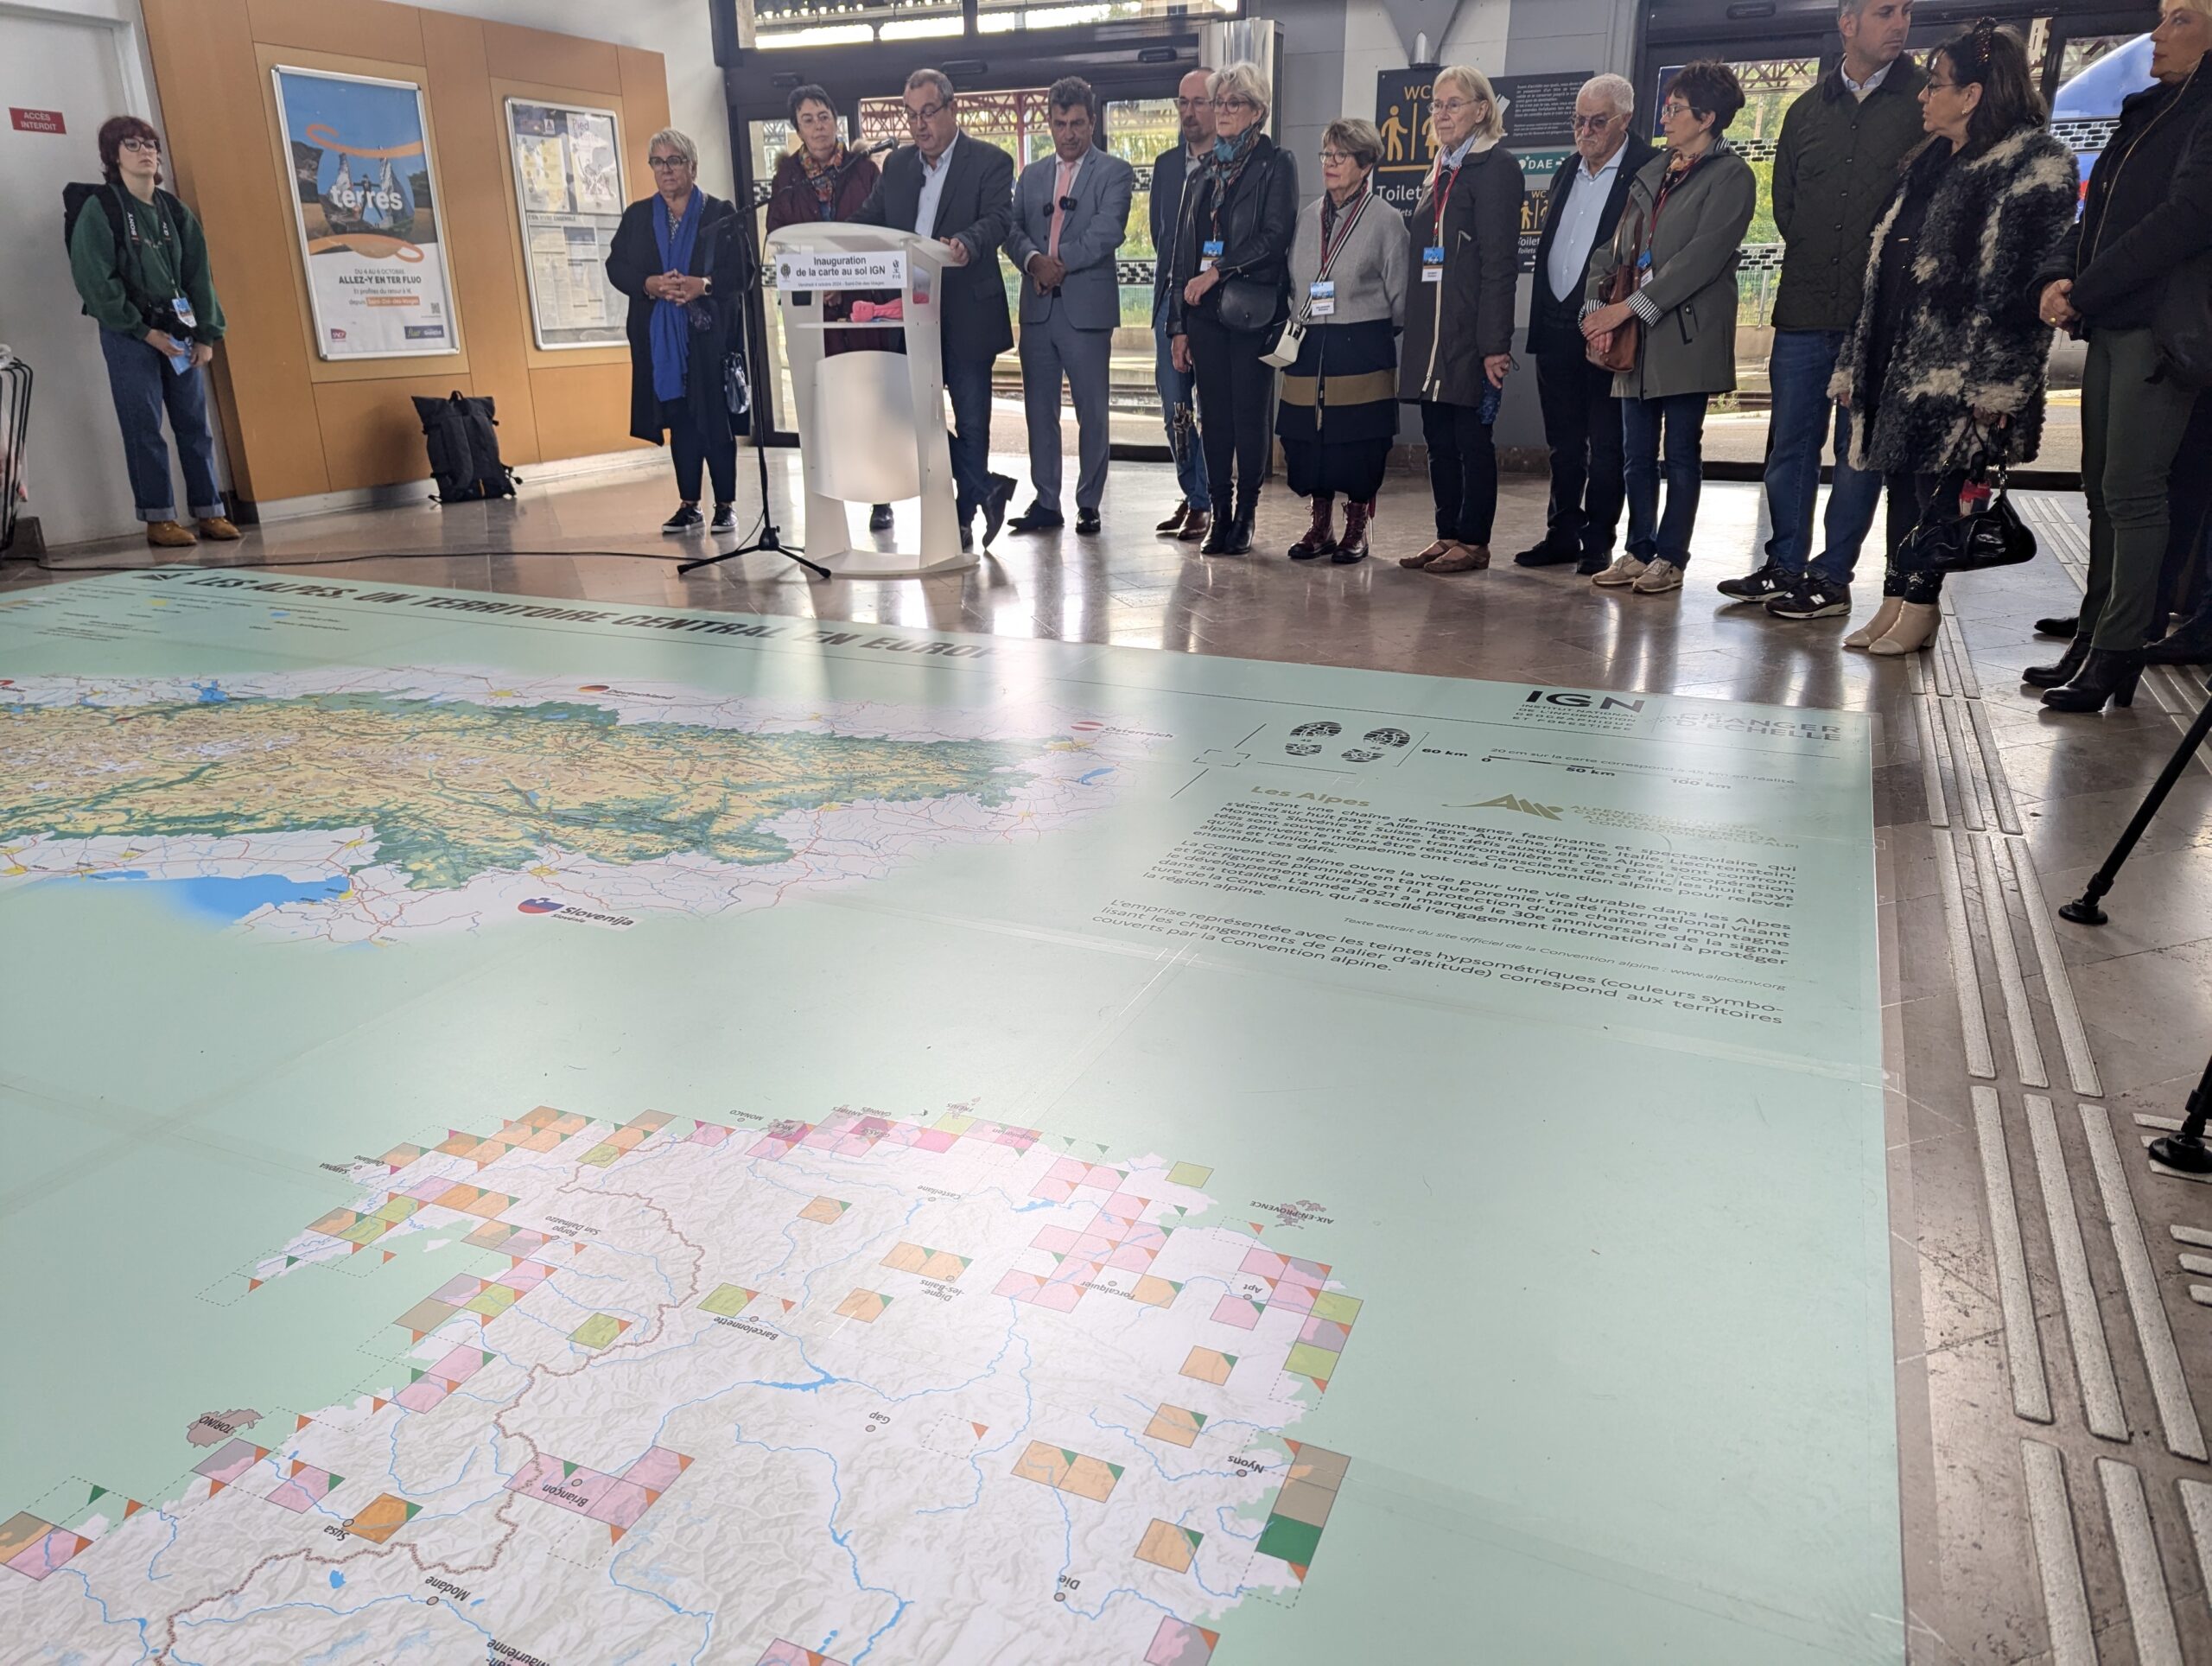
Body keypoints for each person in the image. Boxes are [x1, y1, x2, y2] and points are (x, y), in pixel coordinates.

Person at [1827, 21, 2075, 654]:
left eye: (1935, 84)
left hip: (1961, 366)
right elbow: (1884, 268)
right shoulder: (1931, 160)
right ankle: (1895, 597)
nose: (1923, 95)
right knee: (1901, 483)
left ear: (1971, 95)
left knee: (1937, 492)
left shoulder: (2032, 164)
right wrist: (1857, 359)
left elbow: (2021, 286)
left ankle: (1921, 606)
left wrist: (2000, 386)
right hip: (1897, 352)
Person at [2029, 0, 2212, 711]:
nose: (2158, 35)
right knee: (2104, 492)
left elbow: (2184, 220)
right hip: (2112, 319)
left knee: (2134, 492)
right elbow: (2096, 213)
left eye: (2181, 20)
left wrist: (2088, 288)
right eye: (2162, 18)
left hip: (2159, 329)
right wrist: (2058, 275)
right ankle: (2093, 638)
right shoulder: (2149, 112)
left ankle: (2120, 647)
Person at [1722, 0, 1929, 619]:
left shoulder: (1922, 102)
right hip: (1805, 305)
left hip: (1877, 315)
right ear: (1847, 24)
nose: (1900, 23)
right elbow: (1787, 205)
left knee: (1856, 450)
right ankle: (1784, 563)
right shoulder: (1807, 110)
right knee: (1790, 445)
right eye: (1885, 11)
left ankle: (1832, 577)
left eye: (1906, 11)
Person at [1580, 63, 1758, 594]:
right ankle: (1638, 550)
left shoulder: (1731, 176)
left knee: (1680, 452)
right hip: (1636, 340)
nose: (1665, 118)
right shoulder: (1655, 171)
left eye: (1675, 109)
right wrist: (1596, 311)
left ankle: (1671, 556)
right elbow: (1613, 248)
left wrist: (1627, 310)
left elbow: (1700, 260)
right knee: (1636, 454)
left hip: (1685, 335)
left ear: (1707, 117)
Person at [855, 68, 1019, 552]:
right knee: (905, 413)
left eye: (927, 112)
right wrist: (829, 240)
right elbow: (869, 219)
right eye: (911, 115)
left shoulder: (990, 161)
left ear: (952, 108)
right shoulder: (898, 166)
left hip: (967, 311)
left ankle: (963, 518)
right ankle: (987, 487)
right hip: (912, 311)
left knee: (971, 422)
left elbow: (999, 218)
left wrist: (968, 241)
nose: (919, 124)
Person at [67, 116, 238, 549]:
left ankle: (210, 510)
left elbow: (199, 276)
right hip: (129, 333)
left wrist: (207, 334)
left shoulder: (175, 211)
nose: (145, 151)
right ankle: (159, 518)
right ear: (113, 155)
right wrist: (142, 330)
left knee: (194, 424)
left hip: (179, 331)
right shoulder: (101, 209)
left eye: (150, 144)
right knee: (143, 426)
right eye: (132, 144)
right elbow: (94, 279)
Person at [1517, 73, 1654, 575]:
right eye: (1578, 121)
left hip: (1606, 324)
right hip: (1556, 320)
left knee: (1606, 441)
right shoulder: (1567, 168)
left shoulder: (1646, 170)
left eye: (1598, 122)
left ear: (1624, 120)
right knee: (1564, 441)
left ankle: (1597, 541)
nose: (1585, 131)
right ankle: (1561, 533)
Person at [1396, 65, 1523, 576]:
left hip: (1471, 335)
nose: (1441, 113)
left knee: (1471, 441)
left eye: (1453, 103)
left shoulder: (1495, 168)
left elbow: (1499, 264)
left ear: (1481, 109)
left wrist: (1495, 344)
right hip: (1432, 333)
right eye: (1436, 105)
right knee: (1439, 440)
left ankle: (1474, 541)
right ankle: (1447, 532)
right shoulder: (1441, 169)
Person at [1166, 62, 1298, 556]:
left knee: (1248, 417)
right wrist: (1178, 327)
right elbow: (1182, 254)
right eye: (1218, 102)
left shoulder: (1275, 164)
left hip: (1251, 311)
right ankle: (1219, 512)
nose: (1222, 111)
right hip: (1203, 315)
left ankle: (1245, 514)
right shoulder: (1202, 173)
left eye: (1233, 103)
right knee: (1214, 419)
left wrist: (1218, 271)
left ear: (1257, 111)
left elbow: (1274, 237)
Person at [1004, 77, 1135, 538]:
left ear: (1092, 121)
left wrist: (1057, 266)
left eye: (1077, 123)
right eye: (1060, 124)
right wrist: (1033, 261)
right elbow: (1011, 229)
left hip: (1086, 309)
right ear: (1050, 123)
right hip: (1038, 310)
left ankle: (1089, 503)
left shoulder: (1115, 172)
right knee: (1039, 411)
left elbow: (1108, 230)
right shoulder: (1031, 175)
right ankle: (1046, 501)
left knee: (1091, 412)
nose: (1069, 133)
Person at [607, 128, 751, 537]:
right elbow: (616, 266)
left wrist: (703, 285)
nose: (666, 169)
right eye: (658, 162)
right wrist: (648, 284)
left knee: (714, 420)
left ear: (692, 166)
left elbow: (744, 271)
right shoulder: (637, 216)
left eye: (674, 161)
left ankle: (725, 506)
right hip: (660, 338)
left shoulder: (720, 213)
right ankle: (689, 505)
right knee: (679, 419)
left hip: (709, 336)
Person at [1276, 119, 1408, 564]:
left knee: (1358, 441)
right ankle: (1321, 524)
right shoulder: (1307, 218)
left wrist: (1368, 329)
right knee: (1308, 440)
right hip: (1310, 343)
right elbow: (1294, 282)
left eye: (1341, 156)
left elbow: (1401, 296)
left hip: (1362, 344)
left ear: (1366, 164)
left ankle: (1356, 526)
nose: (1329, 164)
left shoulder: (1386, 221)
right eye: (1326, 154)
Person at [764, 85, 893, 533]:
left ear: (836, 120)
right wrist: (820, 284)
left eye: (823, 116)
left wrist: (845, 280)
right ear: (796, 129)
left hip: (864, 301)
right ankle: (831, 495)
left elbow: (882, 233)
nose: (818, 127)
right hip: (814, 309)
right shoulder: (786, 179)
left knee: (871, 395)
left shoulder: (863, 169)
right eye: (808, 119)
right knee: (827, 400)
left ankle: (880, 496)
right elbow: (780, 238)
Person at [1152, 70, 1215, 544]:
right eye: (1182, 102)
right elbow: (1162, 237)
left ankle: (1203, 499)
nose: (1189, 112)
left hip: (1212, 305)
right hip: (1167, 304)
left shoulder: (1231, 165)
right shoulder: (1166, 165)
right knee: (1175, 407)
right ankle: (1194, 492)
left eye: (1199, 102)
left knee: (1209, 409)